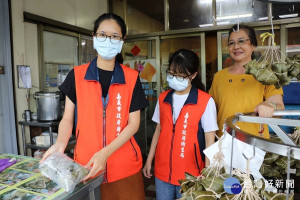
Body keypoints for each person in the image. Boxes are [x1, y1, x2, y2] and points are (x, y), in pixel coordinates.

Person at [40, 13, 148, 200]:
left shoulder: (131, 78)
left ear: (122, 41)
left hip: (125, 168)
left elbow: (133, 124)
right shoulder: (77, 75)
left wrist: (105, 154)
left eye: (115, 36)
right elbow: (67, 118)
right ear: (94, 36)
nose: (108, 40)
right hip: (86, 167)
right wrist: (60, 144)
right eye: (103, 34)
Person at [143, 49, 218, 200]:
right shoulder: (163, 98)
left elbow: (210, 140)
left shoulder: (205, 101)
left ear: (193, 75)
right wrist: (149, 159)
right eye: (171, 73)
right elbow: (158, 130)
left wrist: (207, 171)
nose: (174, 78)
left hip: (191, 175)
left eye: (180, 75)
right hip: (162, 172)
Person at [209, 24, 284, 138]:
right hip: (223, 142)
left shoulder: (266, 74)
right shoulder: (219, 76)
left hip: (254, 143)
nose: (236, 46)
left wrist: (269, 105)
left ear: (253, 45)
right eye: (231, 43)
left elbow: (279, 106)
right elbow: (211, 110)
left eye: (241, 41)